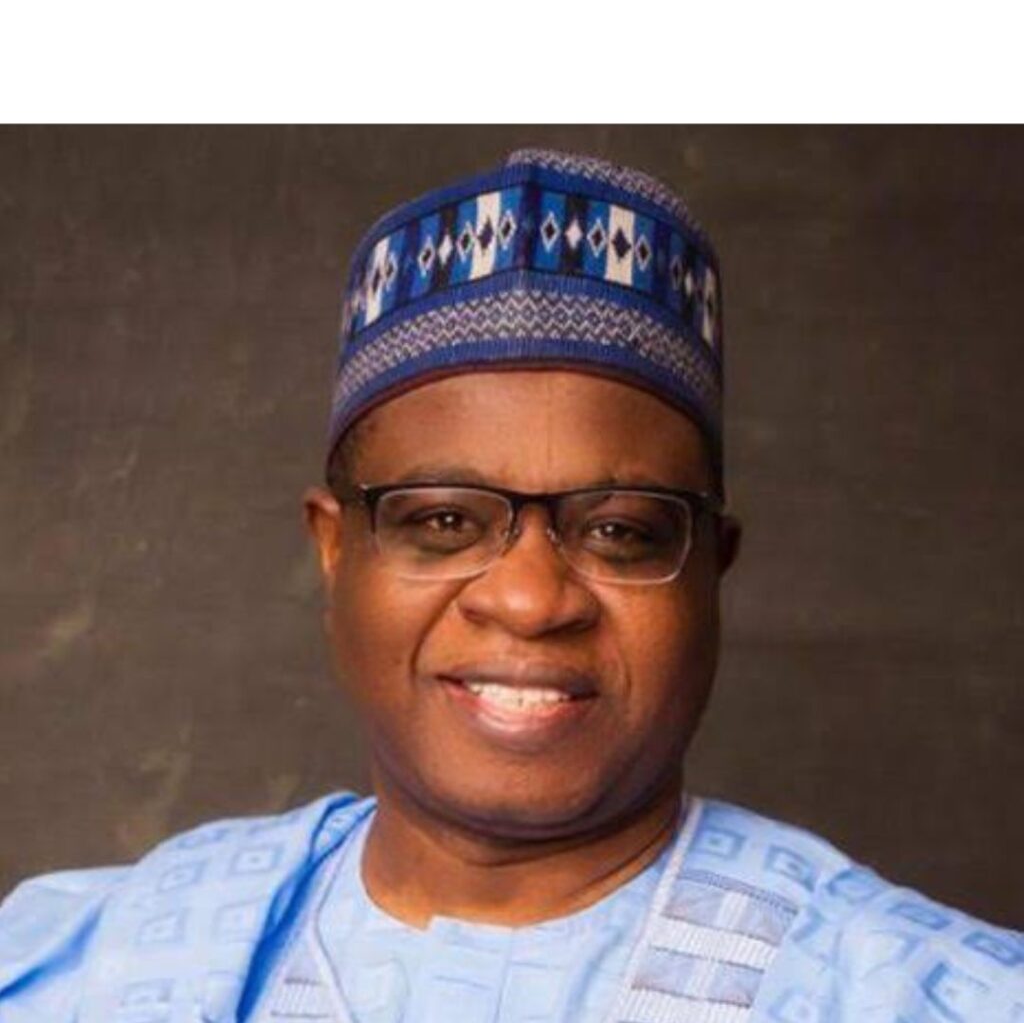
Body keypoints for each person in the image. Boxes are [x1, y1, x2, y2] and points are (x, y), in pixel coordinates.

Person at [0, 148, 1020, 1023]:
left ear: (711, 567)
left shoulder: (923, 993)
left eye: (621, 531)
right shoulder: (81, 966)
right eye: (444, 520)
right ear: (334, 548)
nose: (530, 601)